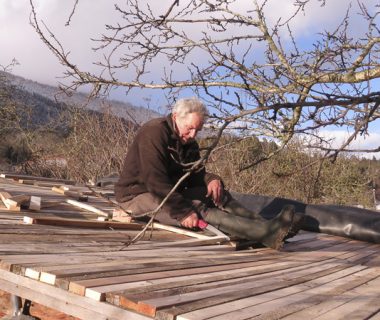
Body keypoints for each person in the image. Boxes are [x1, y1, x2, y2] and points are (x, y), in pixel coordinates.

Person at [115, 97, 299, 250]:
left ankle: (271, 226)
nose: (194, 134)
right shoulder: (154, 132)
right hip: (137, 195)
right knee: (196, 207)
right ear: (175, 116)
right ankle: (266, 234)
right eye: (190, 128)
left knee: (217, 194)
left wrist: (212, 180)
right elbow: (154, 180)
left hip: (169, 191)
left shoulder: (189, 143)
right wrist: (183, 212)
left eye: (198, 130)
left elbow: (195, 176)